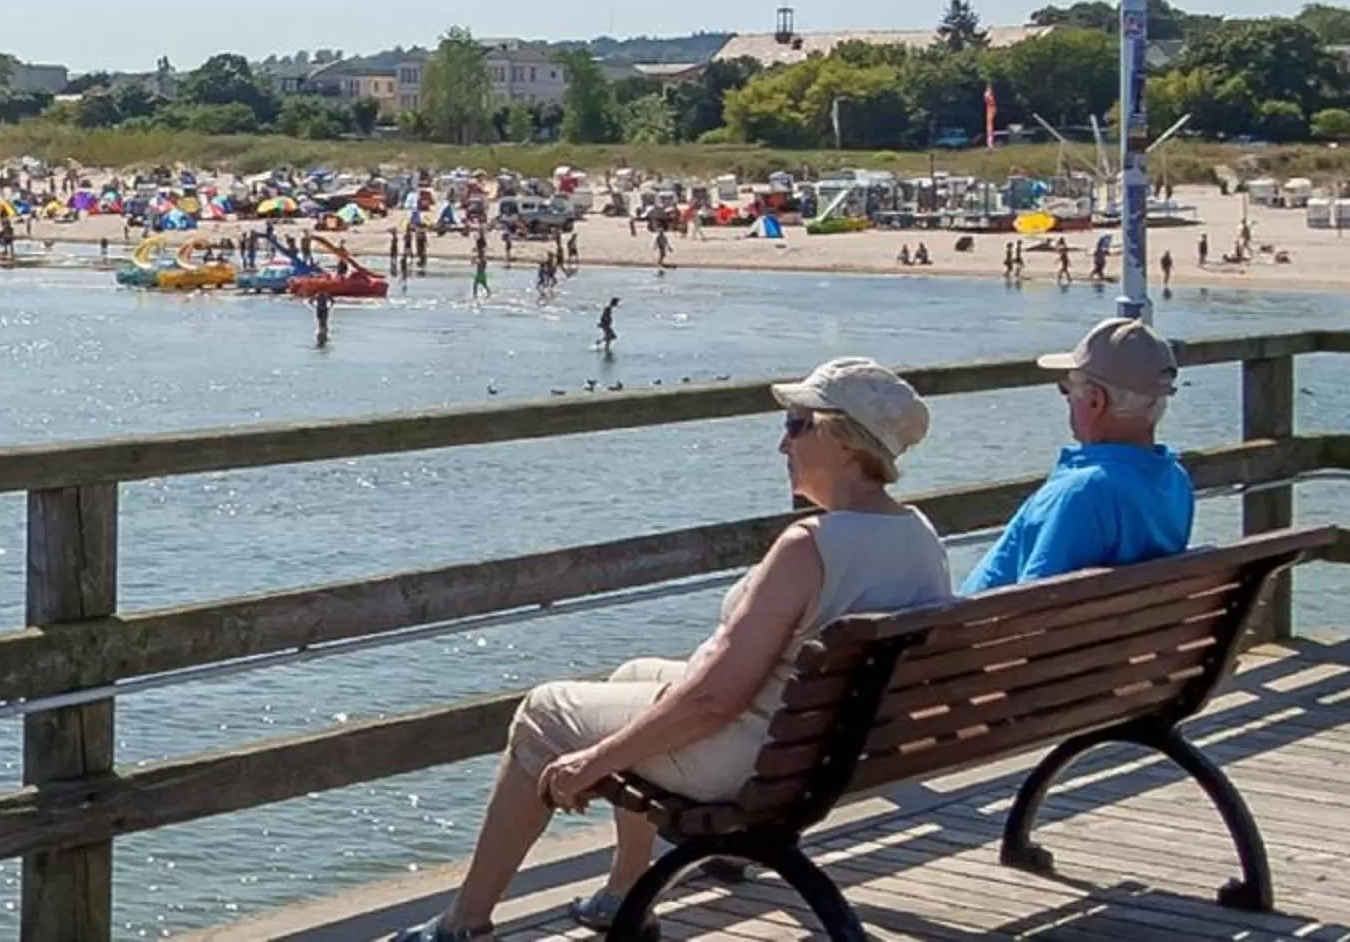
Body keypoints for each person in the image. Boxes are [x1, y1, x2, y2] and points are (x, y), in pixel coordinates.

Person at [387, 360, 949, 942]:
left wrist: (592, 762)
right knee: (635, 674)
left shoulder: (810, 546)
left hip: (755, 764)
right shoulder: (919, 536)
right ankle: (624, 894)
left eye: (796, 424)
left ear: (843, 440)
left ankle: (464, 924)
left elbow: (712, 701)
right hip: (827, 753)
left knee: (541, 713)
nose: (783, 443)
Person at [961, 319, 1194, 593]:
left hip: (992, 620)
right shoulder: (1175, 481)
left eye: (1067, 389)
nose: (1068, 400)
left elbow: (1034, 603)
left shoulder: (1083, 492)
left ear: (1096, 401)